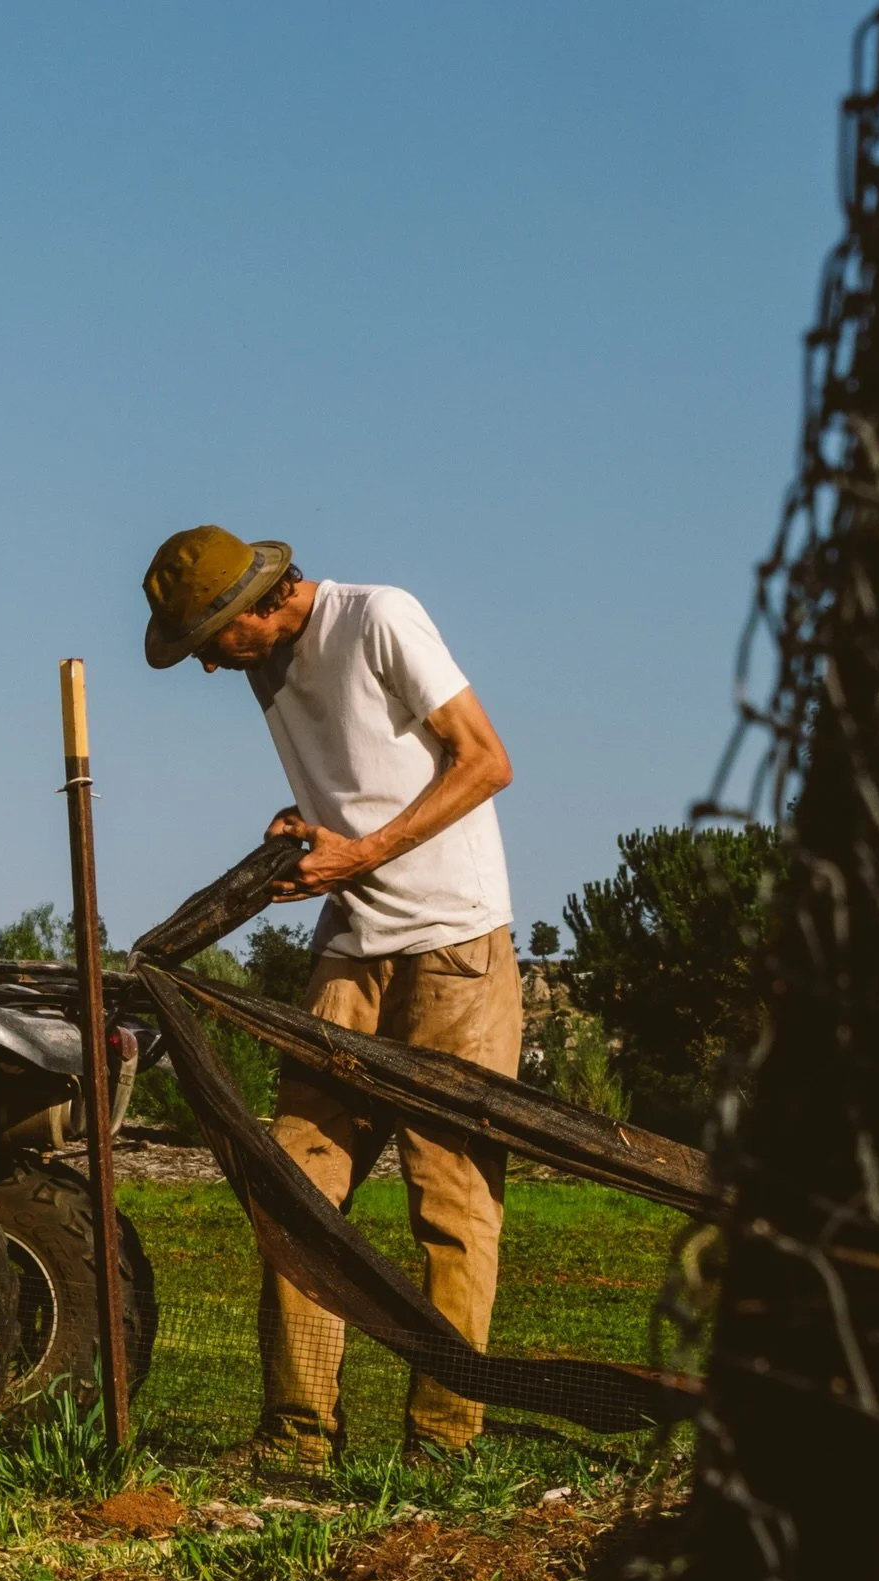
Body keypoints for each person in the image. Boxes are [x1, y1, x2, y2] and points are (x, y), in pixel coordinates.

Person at [142, 524, 522, 1464]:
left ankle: (443, 1443)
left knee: (452, 1198)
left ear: (260, 605)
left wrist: (360, 853)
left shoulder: (382, 618)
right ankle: (298, 1435)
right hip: (352, 947)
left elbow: (485, 761)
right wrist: (310, 832)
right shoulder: (263, 668)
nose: (206, 669)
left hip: (455, 945)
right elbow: (359, 786)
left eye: (209, 642)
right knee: (296, 1186)